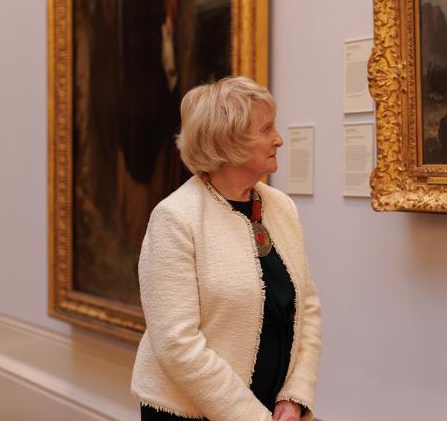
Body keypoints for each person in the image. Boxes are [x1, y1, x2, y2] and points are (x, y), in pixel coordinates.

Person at [131, 77, 323, 421]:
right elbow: (177, 344)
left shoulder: (281, 207)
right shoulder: (175, 218)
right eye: (266, 129)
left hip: (276, 407)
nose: (278, 139)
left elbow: (307, 307)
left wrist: (295, 394)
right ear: (228, 142)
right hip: (189, 414)